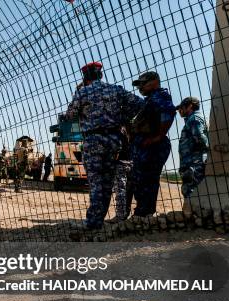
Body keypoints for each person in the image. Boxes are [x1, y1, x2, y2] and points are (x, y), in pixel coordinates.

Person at [65, 61, 144, 229]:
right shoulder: (116, 90)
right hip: (113, 141)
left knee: (95, 182)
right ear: (101, 75)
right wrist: (121, 118)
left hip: (93, 140)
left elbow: (70, 115)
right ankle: (99, 218)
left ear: (85, 78)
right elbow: (139, 103)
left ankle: (94, 222)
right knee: (108, 182)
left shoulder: (83, 92)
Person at [127, 71, 176, 217]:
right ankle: (143, 211)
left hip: (152, 146)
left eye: (142, 83)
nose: (140, 87)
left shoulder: (160, 96)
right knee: (140, 179)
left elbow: (169, 113)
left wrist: (158, 137)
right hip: (144, 146)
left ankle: (145, 213)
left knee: (147, 180)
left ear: (154, 82)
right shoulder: (150, 99)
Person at [176, 96, 209, 203]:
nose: (179, 111)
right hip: (193, 161)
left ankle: (193, 215)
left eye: (181, 108)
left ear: (190, 106)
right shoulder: (193, 119)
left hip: (194, 163)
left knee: (191, 191)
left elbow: (200, 139)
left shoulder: (194, 119)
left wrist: (196, 157)